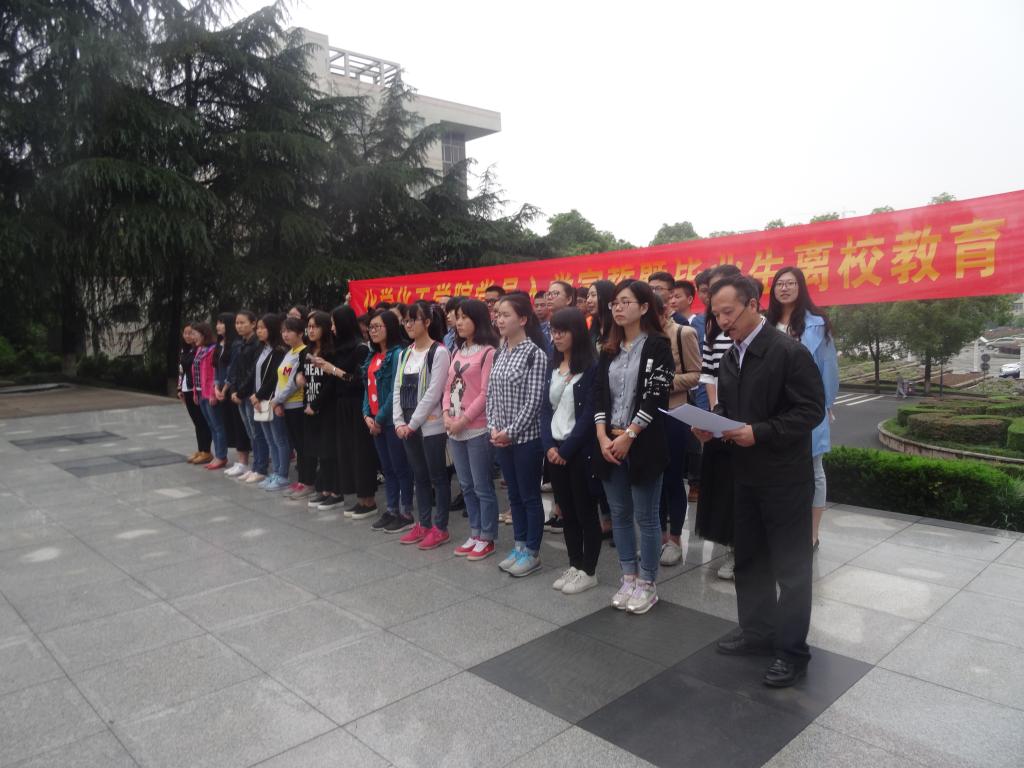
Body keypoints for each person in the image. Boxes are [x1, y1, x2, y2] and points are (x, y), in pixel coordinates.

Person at [694, 275, 825, 688]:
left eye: (729, 312)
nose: (722, 321)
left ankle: (792, 652)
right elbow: (731, 409)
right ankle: (757, 633)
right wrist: (712, 424)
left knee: (791, 568)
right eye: (717, 314)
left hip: (785, 479)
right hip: (744, 475)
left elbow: (811, 411)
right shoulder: (731, 356)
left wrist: (760, 432)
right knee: (750, 560)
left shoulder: (788, 352)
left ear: (753, 304)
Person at [594, 280, 674, 614]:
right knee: (620, 514)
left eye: (625, 302)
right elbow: (599, 394)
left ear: (643, 308)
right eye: (614, 302)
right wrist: (603, 437)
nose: (618, 307)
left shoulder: (658, 345)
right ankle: (628, 576)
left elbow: (656, 395)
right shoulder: (608, 348)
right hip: (609, 441)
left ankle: (647, 582)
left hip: (643, 443)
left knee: (647, 516)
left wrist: (629, 435)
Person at [766, 267, 840, 550]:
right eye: (779, 284)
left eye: (790, 283)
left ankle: (811, 532)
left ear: (801, 288)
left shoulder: (817, 324)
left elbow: (828, 367)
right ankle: (781, 527)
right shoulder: (765, 323)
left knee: (814, 468)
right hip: (771, 408)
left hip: (806, 405)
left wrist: (825, 404)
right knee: (775, 469)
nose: (784, 288)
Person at [540, 308, 601, 594]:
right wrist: (549, 446)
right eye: (554, 331)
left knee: (585, 511)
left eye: (563, 331)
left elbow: (589, 415)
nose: (557, 336)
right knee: (566, 511)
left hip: (579, 450)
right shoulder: (553, 366)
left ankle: (589, 570)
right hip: (555, 449)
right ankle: (574, 564)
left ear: (577, 332)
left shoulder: (591, 367)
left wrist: (566, 449)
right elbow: (545, 410)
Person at [487, 293, 548, 577]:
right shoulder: (500, 352)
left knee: (529, 496)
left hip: (526, 439)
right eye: (498, 314)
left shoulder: (535, 355)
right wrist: (493, 427)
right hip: (500, 437)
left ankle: (532, 552)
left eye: (506, 315)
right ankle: (519, 545)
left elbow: (534, 402)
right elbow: (491, 394)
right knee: (513, 495)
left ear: (522, 319)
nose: (499, 319)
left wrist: (509, 432)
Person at [392, 302, 453, 550]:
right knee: (419, 475)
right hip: (407, 425)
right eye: (405, 321)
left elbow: (433, 392)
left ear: (427, 322)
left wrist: (413, 423)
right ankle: (424, 523)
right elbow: (397, 388)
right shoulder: (405, 353)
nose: (408, 325)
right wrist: (398, 421)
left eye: (412, 320)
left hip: (430, 425)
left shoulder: (439, 352)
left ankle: (441, 527)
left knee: (438, 476)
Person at [444, 298, 500, 561]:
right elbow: (448, 386)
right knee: (466, 484)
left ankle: (487, 536)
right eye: (458, 317)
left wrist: (463, 420)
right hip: (454, 428)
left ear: (478, 319)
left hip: (476, 429)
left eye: (465, 317)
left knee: (481, 486)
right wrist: (446, 414)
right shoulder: (457, 350)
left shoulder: (488, 352)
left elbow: (485, 394)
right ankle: (475, 532)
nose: (459, 322)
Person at [697, 264, 743, 579]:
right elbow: (709, 373)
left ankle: (747, 552)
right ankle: (732, 550)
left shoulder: (759, 329)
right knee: (724, 488)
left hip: (747, 420)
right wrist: (715, 413)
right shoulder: (713, 328)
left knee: (743, 488)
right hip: (721, 415)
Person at [650, 285, 701, 566]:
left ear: (665, 309)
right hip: (647, 414)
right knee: (653, 478)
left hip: (674, 411)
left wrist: (665, 383)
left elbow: (695, 374)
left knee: (672, 479)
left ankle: (675, 539)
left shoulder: (683, 333)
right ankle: (657, 537)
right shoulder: (642, 336)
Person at [322, 305, 378, 515]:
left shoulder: (360, 348)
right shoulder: (338, 348)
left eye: (335, 323)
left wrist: (334, 370)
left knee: (361, 451)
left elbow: (359, 380)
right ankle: (360, 498)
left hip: (357, 404)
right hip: (342, 405)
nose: (332, 328)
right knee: (347, 452)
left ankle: (369, 499)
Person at [363, 310, 415, 529]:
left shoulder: (398, 354)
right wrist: (366, 414)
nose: (373, 331)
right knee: (387, 468)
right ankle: (391, 508)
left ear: (390, 327)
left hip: (391, 420)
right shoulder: (373, 355)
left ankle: (405, 512)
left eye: (378, 327)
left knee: (400, 467)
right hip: (375, 420)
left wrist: (380, 419)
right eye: (371, 327)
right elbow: (367, 387)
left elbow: (396, 389)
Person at [301, 311, 338, 505]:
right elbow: (304, 375)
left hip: (326, 407)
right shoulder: (306, 352)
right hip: (310, 405)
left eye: (315, 326)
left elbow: (331, 384)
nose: (311, 330)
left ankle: (333, 490)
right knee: (318, 450)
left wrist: (316, 405)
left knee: (328, 450)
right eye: (309, 326)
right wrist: (299, 377)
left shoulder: (331, 352)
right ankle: (324, 488)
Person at [273, 316, 311, 495]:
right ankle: (302, 480)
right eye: (283, 331)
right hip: (286, 404)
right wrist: (278, 400)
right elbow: (280, 379)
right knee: (296, 444)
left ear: (300, 333)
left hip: (297, 404)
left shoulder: (303, 352)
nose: (285, 335)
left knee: (302, 445)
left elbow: (294, 383)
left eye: (289, 331)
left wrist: (277, 400)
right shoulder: (289, 352)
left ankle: (306, 481)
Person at [229, 310, 266, 482]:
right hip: (240, 394)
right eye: (237, 323)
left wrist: (241, 392)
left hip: (251, 394)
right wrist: (233, 390)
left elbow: (253, 372)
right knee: (251, 433)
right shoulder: (239, 344)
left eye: (242, 322)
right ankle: (255, 466)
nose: (239, 326)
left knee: (257, 433)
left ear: (253, 323)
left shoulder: (257, 344)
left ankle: (260, 467)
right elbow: (235, 369)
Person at [251, 314, 287, 488]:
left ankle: (282, 474)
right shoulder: (262, 349)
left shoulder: (279, 351)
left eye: (262, 328)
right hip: (260, 399)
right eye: (257, 328)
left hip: (272, 399)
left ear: (272, 329)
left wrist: (259, 395)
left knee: (279, 439)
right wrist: (255, 396)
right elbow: (256, 375)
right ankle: (275, 472)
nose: (259, 331)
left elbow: (274, 378)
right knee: (269, 439)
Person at [215, 312, 251, 478]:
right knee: (232, 425)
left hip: (235, 390)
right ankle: (240, 460)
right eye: (217, 323)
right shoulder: (222, 344)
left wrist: (226, 388)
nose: (218, 326)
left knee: (241, 426)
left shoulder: (236, 344)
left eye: (222, 323)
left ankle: (244, 461)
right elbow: (218, 368)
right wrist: (217, 387)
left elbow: (233, 369)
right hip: (227, 390)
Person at [192, 322, 227, 470]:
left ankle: (221, 456)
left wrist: (213, 393)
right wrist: (195, 392)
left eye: (195, 334)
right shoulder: (200, 349)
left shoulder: (213, 350)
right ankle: (218, 455)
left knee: (218, 426)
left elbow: (214, 374)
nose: (193, 337)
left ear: (203, 334)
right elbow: (196, 372)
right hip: (201, 393)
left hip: (209, 393)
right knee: (211, 426)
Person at [178, 323, 212, 465]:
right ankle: (200, 449)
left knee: (202, 421)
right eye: (185, 333)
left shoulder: (199, 350)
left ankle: (206, 451)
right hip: (186, 388)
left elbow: (194, 368)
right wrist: (179, 388)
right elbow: (181, 370)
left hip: (196, 389)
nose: (188, 336)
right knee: (196, 422)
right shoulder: (184, 350)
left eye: (191, 333)